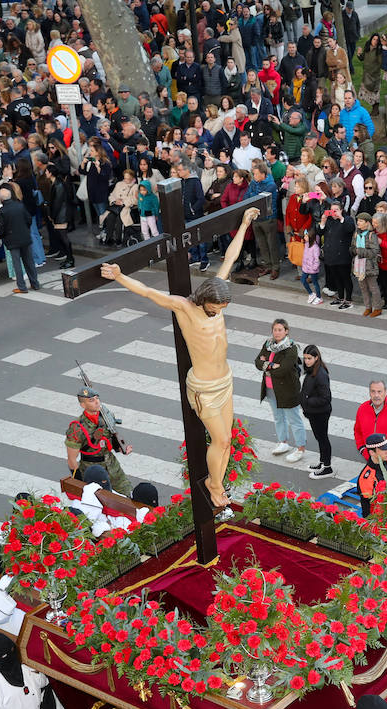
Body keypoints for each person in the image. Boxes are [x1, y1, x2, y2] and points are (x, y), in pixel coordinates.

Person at [102, 208, 262, 510]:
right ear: (206, 300)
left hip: (224, 380)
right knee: (222, 441)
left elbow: (229, 257)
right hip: (203, 387)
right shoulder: (185, 308)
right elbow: (149, 293)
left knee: (226, 440)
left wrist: (243, 224)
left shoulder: (218, 293)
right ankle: (214, 485)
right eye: (217, 307)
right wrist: (120, 276)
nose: (221, 310)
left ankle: (218, 480)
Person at [257, 319, 307, 463]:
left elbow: (284, 369)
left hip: (288, 390)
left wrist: (266, 364)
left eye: (280, 330)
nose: (277, 332)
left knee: (294, 419)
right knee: (278, 417)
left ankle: (300, 448)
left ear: (286, 331)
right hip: (271, 389)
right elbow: (257, 362)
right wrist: (273, 365)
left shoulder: (291, 348)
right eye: (275, 329)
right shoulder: (268, 344)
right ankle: (283, 442)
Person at [300, 346, 335, 480]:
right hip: (314, 412)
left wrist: (308, 401)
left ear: (316, 358)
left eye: (309, 358)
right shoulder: (312, 370)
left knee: (323, 438)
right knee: (320, 438)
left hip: (320, 413)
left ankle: (327, 467)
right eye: (305, 358)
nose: (306, 361)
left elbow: (326, 398)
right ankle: (322, 462)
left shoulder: (320, 374)